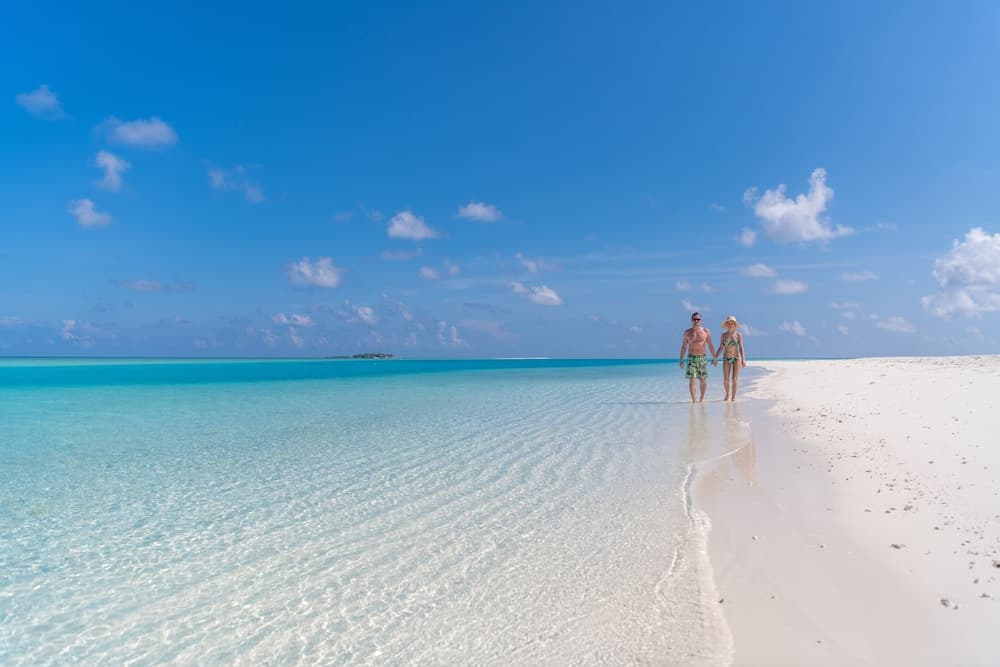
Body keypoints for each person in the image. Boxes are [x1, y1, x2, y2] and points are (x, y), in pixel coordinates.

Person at [679, 312, 717, 402]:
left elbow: (710, 345)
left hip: (702, 358)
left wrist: (714, 358)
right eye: (694, 319)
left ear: (701, 320)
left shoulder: (706, 331)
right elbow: (684, 346)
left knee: (702, 380)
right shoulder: (687, 332)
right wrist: (681, 360)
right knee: (692, 380)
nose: (696, 321)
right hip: (691, 358)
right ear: (691, 320)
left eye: (698, 319)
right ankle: (694, 401)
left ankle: (702, 398)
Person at [716, 315, 746, 401]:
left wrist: (743, 359)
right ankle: (727, 393)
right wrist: (715, 357)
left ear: (734, 325)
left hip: (736, 358)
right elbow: (721, 348)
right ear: (726, 325)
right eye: (728, 323)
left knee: (734, 379)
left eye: (731, 323)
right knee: (726, 380)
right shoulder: (723, 335)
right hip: (726, 358)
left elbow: (741, 348)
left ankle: (733, 397)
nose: (730, 325)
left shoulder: (738, 335)